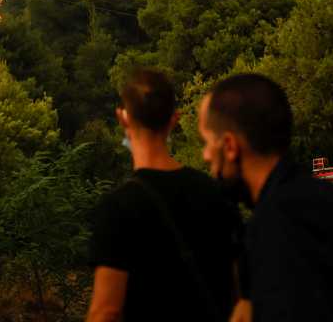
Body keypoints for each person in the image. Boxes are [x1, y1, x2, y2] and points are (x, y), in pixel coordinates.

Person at [197, 73, 333, 322]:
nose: (205, 155)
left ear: (230, 146)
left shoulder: (282, 221)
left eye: (207, 142)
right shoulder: (331, 198)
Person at [87, 68, 241, 322]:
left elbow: (105, 311)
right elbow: (240, 289)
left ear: (123, 119)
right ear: (175, 119)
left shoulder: (117, 207)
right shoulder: (217, 193)